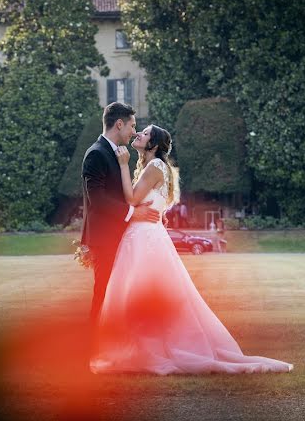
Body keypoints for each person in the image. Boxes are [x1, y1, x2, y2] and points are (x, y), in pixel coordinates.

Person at [89, 124, 293, 375]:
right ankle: (139, 347)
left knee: (137, 292)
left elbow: (131, 200)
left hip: (144, 240)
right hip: (146, 236)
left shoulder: (154, 167)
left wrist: (122, 164)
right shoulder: (153, 167)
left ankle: (146, 349)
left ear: (152, 145)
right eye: (138, 130)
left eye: (144, 133)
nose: (138, 134)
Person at [81, 102, 161, 326]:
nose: (134, 131)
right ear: (119, 124)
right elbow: (96, 199)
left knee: (118, 297)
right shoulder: (96, 154)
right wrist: (132, 214)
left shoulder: (118, 154)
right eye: (132, 126)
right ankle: (89, 350)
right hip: (105, 240)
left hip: (119, 238)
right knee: (104, 293)